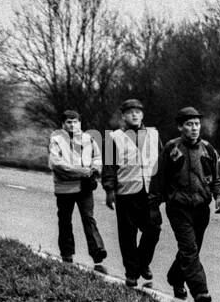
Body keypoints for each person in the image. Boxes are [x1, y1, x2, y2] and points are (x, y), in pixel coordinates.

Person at [149, 107, 220, 302]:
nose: (194, 128)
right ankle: (200, 291)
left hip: (202, 208)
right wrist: (154, 206)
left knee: (192, 249)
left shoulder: (208, 150)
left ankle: (175, 277)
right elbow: (158, 179)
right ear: (180, 127)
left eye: (197, 124)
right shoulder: (171, 149)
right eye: (189, 124)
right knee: (189, 248)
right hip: (178, 208)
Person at [101, 98, 162, 288]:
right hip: (126, 193)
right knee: (127, 235)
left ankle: (143, 263)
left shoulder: (153, 134)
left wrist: (162, 189)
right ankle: (131, 272)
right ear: (123, 116)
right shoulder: (114, 137)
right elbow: (109, 167)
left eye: (138, 111)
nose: (134, 115)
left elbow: (162, 162)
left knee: (153, 229)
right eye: (130, 112)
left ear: (142, 115)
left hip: (149, 194)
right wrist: (109, 191)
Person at [48, 109, 106, 272]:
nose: (72, 125)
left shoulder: (89, 139)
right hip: (65, 188)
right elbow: (57, 164)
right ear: (63, 124)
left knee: (89, 217)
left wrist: (96, 167)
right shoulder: (56, 140)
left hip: (85, 187)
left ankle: (97, 252)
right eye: (68, 122)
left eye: (75, 122)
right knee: (65, 220)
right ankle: (67, 254)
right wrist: (82, 171)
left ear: (80, 123)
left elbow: (97, 157)